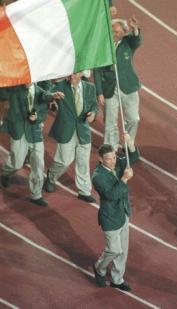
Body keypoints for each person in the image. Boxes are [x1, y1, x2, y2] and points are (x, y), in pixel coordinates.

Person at [0, 83, 64, 207]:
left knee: (38, 164)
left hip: (35, 132)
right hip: (19, 131)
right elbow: (2, 94)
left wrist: (37, 118)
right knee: (16, 163)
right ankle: (6, 173)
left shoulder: (41, 92)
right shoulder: (14, 88)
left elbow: (45, 108)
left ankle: (36, 194)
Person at [44, 72, 98, 203]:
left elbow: (94, 106)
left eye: (74, 74)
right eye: (70, 74)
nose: (71, 77)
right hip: (66, 130)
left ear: (81, 74)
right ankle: (51, 177)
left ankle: (84, 191)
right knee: (64, 161)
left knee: (83, 162)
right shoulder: (61, 85)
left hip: (83, 131)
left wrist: (93, 114)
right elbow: (44, 96)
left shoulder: (90, 88)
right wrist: (52, 96)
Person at [92, 133, 135, 291]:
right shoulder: (98, 176)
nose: (112, 161)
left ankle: (117, 279)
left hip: (123, 212)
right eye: (108, 159)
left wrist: (129, 142)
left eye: (114, 158)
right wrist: (124, 179)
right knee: (114, 250)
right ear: (100, 159)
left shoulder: (116, 165)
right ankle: (99, 268)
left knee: (123, 251)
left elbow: (133, 157)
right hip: (110, 217)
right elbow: (110, 195)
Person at [93, 16, 142, 155]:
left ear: (124, 33)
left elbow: (137, 40)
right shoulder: (102, 46)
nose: (115, 34)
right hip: (110, 89)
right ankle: (110, 148)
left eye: (118, 32)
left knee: (133, 119)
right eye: (113, 31)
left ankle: (127, 143)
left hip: (129, 87)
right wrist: (99, 92)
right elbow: (97, 70)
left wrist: (135, 29)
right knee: (110, 123)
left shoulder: (128, 43)